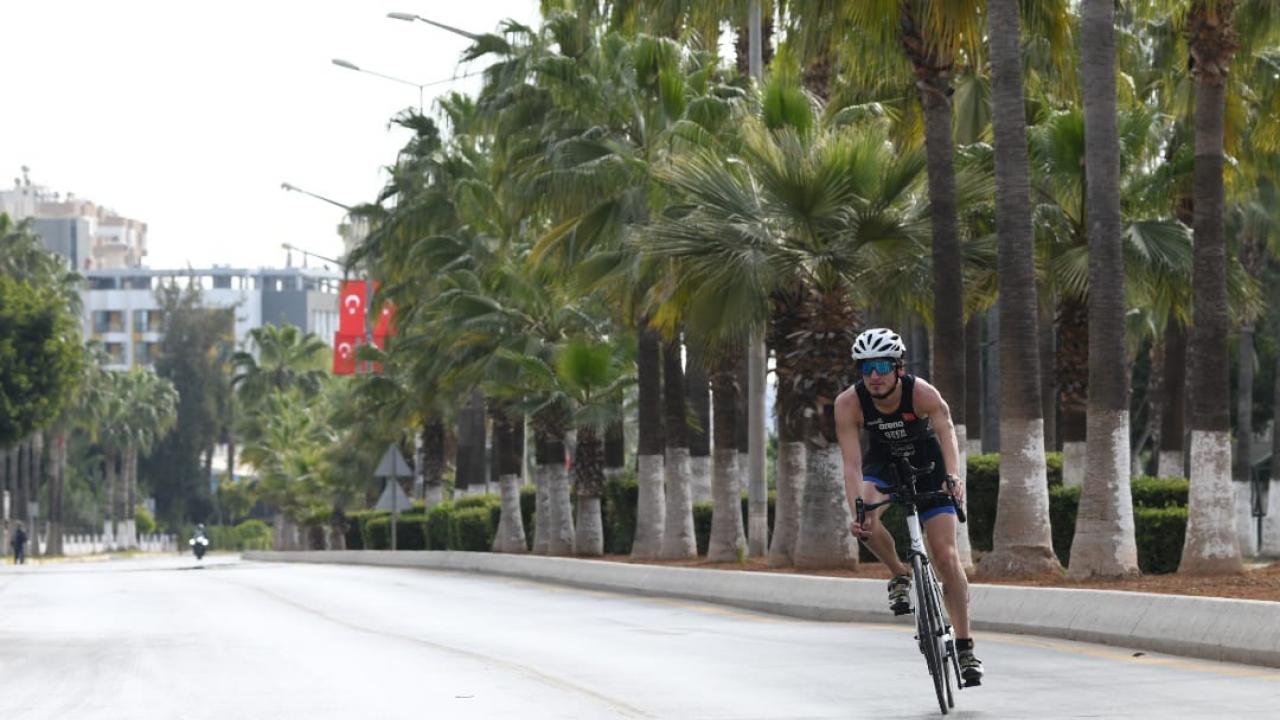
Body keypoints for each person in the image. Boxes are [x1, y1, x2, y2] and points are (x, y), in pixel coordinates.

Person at [834, 328, 984, 686]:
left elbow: (947, 435)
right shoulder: (848, 403)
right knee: (865, 520)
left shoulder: (923, 393)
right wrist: (857, 507)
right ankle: (900, 573)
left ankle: (964, 649)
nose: (874, 375)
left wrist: (953, 477)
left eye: (882, 365)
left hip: (928, 466)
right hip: (882, 464)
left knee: (946, 557)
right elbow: (852, 466)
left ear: (898, 367)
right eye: (866, 367)